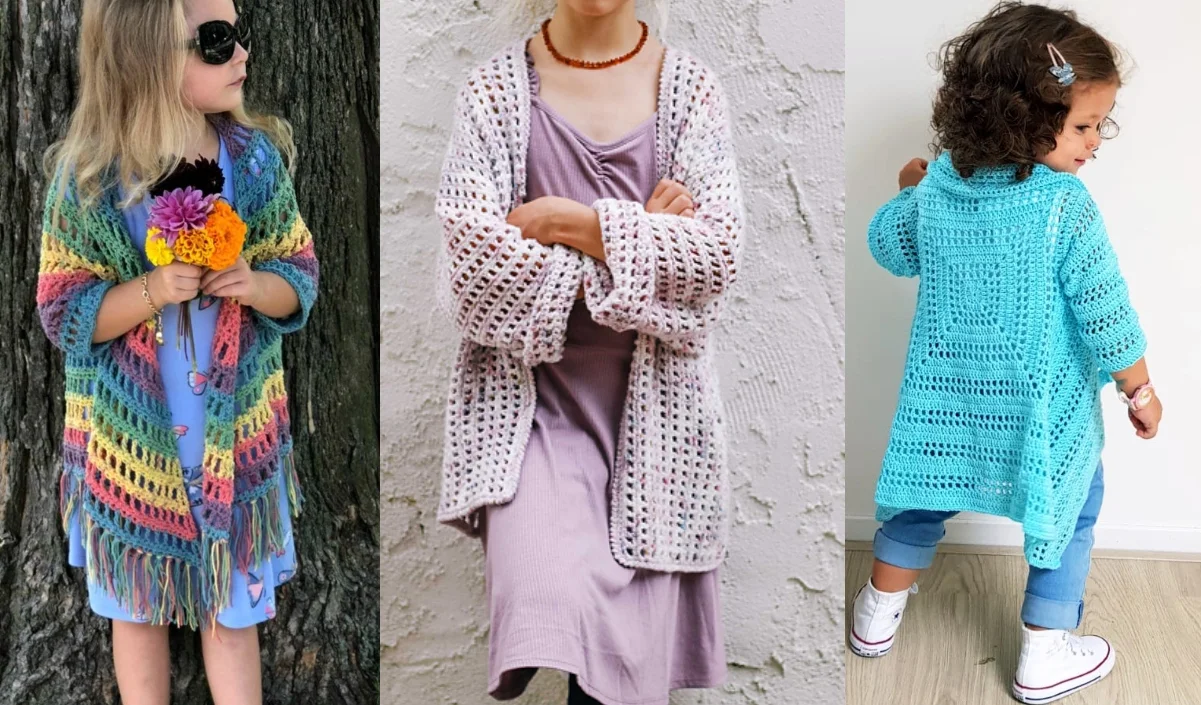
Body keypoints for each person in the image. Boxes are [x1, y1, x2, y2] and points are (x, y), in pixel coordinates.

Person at [433, 1, 745, 703]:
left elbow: (714, 261)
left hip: (659, 432)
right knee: (549, 598)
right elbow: (474, 277)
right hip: (532, 417)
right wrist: (637, 239)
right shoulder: (493, 92)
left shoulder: (691, 90)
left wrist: (563, 223)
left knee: (617, 685)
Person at [849, 4, 1161, 703]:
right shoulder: (1064, 205)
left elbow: (890, 248)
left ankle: (876, 614)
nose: (1095, 141)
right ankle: (1043, 652)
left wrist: (907, 191)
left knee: (919, 498)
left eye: (1098, 125)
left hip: (945, 396)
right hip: (1035, 404)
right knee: (1074, 504)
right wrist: (1138, 390)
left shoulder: (940, 183)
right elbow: (1105, 309)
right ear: (1021, 117)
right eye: (1083, 125)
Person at [36, 1, 319, 702]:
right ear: (148, 57)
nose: (243, 52)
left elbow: (299, 273)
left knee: (234, 608)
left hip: (233, 445)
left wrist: (257, 285)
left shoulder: (249, 162)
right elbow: (65, 310)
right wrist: (153, 289)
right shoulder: (92, 180)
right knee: (135, 613)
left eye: (237, 34)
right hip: (134, 450)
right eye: (217, 42)